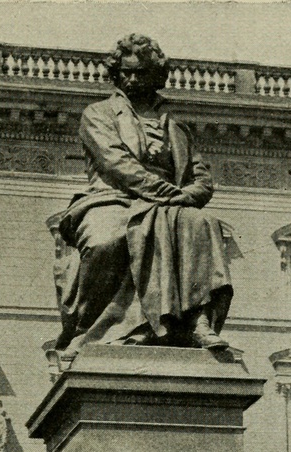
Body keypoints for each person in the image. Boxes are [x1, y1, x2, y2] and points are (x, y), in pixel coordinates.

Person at [53, 33, 232, 355]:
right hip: (112, 197)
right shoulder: (98, 114)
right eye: (126, 72)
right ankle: (87, 326)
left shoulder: (176, 125)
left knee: (203, 223)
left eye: (141, 73)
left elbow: (200, 176)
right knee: (105, 240)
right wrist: (168, 194)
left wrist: (188, 196)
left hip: (170, 203)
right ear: (116, 73)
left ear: (156, 75)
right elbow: (116, 164)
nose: (132, 79)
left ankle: (197, 322)